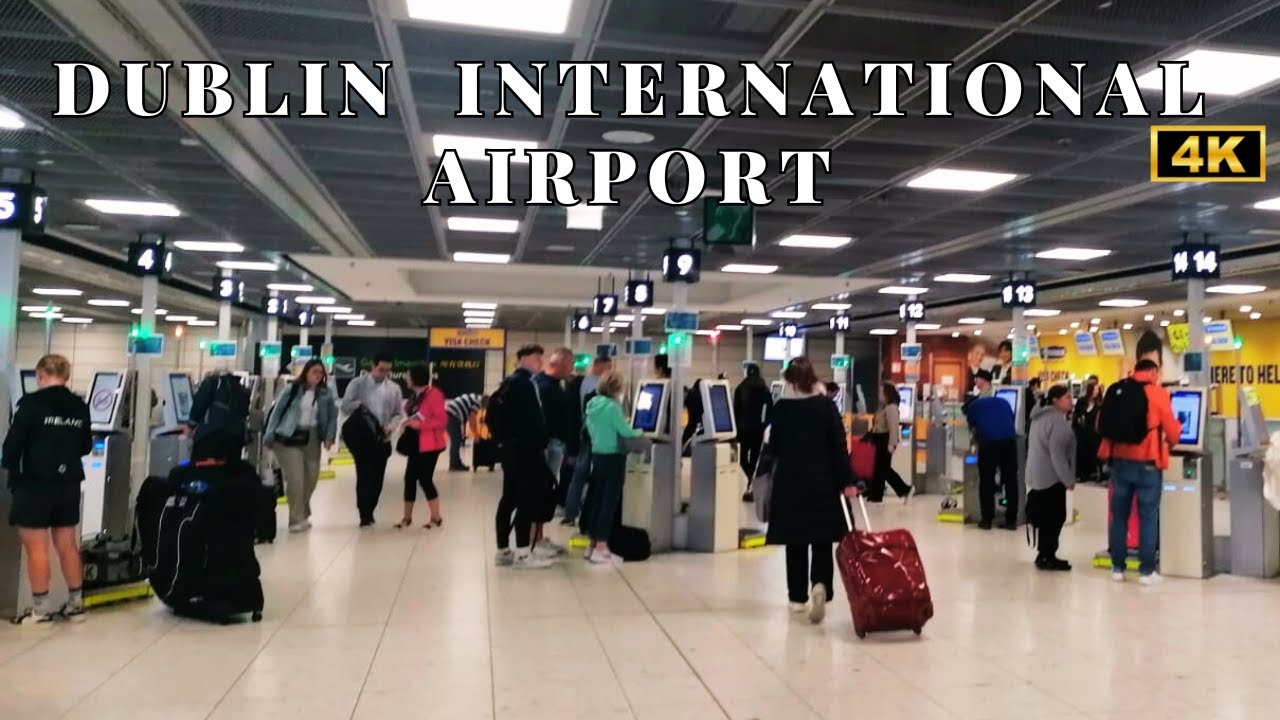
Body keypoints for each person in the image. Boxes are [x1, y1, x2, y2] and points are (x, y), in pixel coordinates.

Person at [765, 357, 859, 624]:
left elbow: (774, 448)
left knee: (795, 541)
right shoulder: (826, 406)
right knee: (821, 540)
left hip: (790, 483)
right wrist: (847, 481)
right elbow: (839, 448)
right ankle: (820, 585)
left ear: (791, 381)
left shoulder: (782, 409)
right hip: (823, 482)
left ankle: (797, 598)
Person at [3, 354, 92, 624]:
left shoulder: (30, 404)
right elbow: (85, 446)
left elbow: (12, 447)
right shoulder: (79, 406)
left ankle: (41, 609)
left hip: (34, 483)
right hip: (69, 484)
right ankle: (76, 605)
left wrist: (8, 464)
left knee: (37, 547)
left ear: (40, 375)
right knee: (67, 544)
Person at [1098, 359, 1181, 585]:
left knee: (1119, 517)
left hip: (1120, 462)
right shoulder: (1158, 394)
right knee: (1148, 517)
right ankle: (1146, 571)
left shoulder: (1117, 389)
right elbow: (1172, 429)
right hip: (1147, 463)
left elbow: (1100, 424)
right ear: (1153, 372)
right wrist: (1172, 441)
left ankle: (1117, 568)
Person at [493, 344, 555, 569]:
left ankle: (503, 550)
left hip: (510, 450)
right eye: (537, 358)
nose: (540, 363)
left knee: (508, 499)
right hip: (526, 451)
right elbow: (532, 420)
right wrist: (541, 442)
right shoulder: (524, 384)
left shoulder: (508, 383)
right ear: (525, 359)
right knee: (525, 501)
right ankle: (522, 553)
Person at [264, 359, 338, 533]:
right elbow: (277, 412)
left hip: (313, 438)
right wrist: (269, 435)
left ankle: (303, 512)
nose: (318, 375)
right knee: (296, 480)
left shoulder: (326, 393)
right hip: (288, 436)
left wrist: (329, 437)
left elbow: (332, 417)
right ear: (306, 372)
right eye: (314, 371)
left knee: (311, 479)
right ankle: (295, 519)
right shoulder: (292, 389)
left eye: (321, 372)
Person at [582, 372, 644, 563]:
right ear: (617, 388)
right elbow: (625, 431)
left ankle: (592, 544)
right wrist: (640, 431)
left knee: (597, 501)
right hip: (613, 458)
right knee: (609, 504)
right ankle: (601, 547)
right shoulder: (612, 407)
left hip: (597, 456)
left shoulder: (592, 405)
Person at [340, 354, 405, 528]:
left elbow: (398, 413)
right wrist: (361, 407)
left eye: (388, 371)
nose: (384, 374)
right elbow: (345, 406)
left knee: (378, 478)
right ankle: (364, 513)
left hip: (382, 437)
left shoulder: (394, 389)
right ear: (373, 367)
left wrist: (391, 426)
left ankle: (371, 508)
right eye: (381, 370)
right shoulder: (358, 384)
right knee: (364, 474)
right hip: (361, 437)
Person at [1026, 385, 1077, 571]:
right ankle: (1048, 555)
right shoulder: (1057, 422)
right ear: (1055, 400)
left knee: (1045, 517)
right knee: (1055, 517)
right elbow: (1058, 455)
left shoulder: (1038, 418)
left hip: (1036, 475)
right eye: (1067, 397)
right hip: (1051, 477)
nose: (1071, 401)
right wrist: (1068, 479)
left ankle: (1043, 554)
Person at [532, 347, 574, 557]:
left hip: (556, 445)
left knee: (546, 492)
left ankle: (538, 536)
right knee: (541, 491)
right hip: (548, 446)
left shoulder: (554, 385)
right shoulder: (544, 387)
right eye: (569, 365)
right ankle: (534, 538)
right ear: (558, 364)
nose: (572, 369)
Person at [964, 369, 1018, 530]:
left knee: (987, 481)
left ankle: (987, 519)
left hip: (988, 443)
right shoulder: (1004, 402)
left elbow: (973, 428)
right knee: (1011, 480)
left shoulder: (973, 406)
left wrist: (975, 443)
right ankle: (1011, 520)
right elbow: (1011, 419)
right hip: (1009, 442)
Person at [563, 355, 612, 525]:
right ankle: (589, 515)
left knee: (578, 476)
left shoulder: (579, 383)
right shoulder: (599, 386)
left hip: (583, 435)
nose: (609, 371)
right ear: (597, 366)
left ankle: (570, 513)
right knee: (593, 478)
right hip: (595, 438)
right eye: (607, 367)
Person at [396, 364, 447, 529]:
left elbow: (441, 421)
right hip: (415, 443)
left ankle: (436, 517)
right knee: (409, 478)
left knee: (425, 479)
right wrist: (407, 422)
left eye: (408, 376)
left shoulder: (434, 395)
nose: (406, 379)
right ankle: (407, 518)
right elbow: (413, 414)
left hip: (430, 444)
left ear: (415, 378)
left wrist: (419, 425)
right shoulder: (414, 397)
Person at [186, 370, 250, 462]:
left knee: (198, 465)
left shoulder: (212, 382)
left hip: (211, 437)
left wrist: (190, 426)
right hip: (236, 439)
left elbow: (199, 404)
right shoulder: (238, 388)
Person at [867, 382, 913, 503]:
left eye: (881, 392)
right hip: (879, 439)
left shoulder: (891, 408)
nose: (879, 395)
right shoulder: (883, 408)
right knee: (881, 468)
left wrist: (892, 443)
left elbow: (893, 426)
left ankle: (902, 489)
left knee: (883, 469)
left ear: (887, 394)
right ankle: (877, 494)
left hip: (885, 439)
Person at [734, 362, 773, 503]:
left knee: (742, 458)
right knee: (755, 457)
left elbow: (736, 410)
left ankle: (749, 476)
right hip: (758, 429)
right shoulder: (764, 389)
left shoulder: (740, 388)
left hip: (743, 429)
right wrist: (765, 424)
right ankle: (752, 478)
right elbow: (770, 410)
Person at [444, 392, 483, 471]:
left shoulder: (475, 397)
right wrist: (476, 435)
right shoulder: (478, 402)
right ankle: (454, 464)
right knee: (456, 440)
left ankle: (456, 462)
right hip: (451, 415)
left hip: (449, 413)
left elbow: (468, 415)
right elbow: (472, 419)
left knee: (456, 440)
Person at [1074, 380, 1103, 483]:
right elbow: (1076, 414)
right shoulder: (1082, 401)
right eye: (1094, 389)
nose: (1096, 391)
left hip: (1094, 431)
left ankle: (1095, 473)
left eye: (1097, 389)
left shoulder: (1100, 403)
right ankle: (1082, 474)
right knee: (1082, 452)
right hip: (1082, 430)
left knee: (1094, 452)